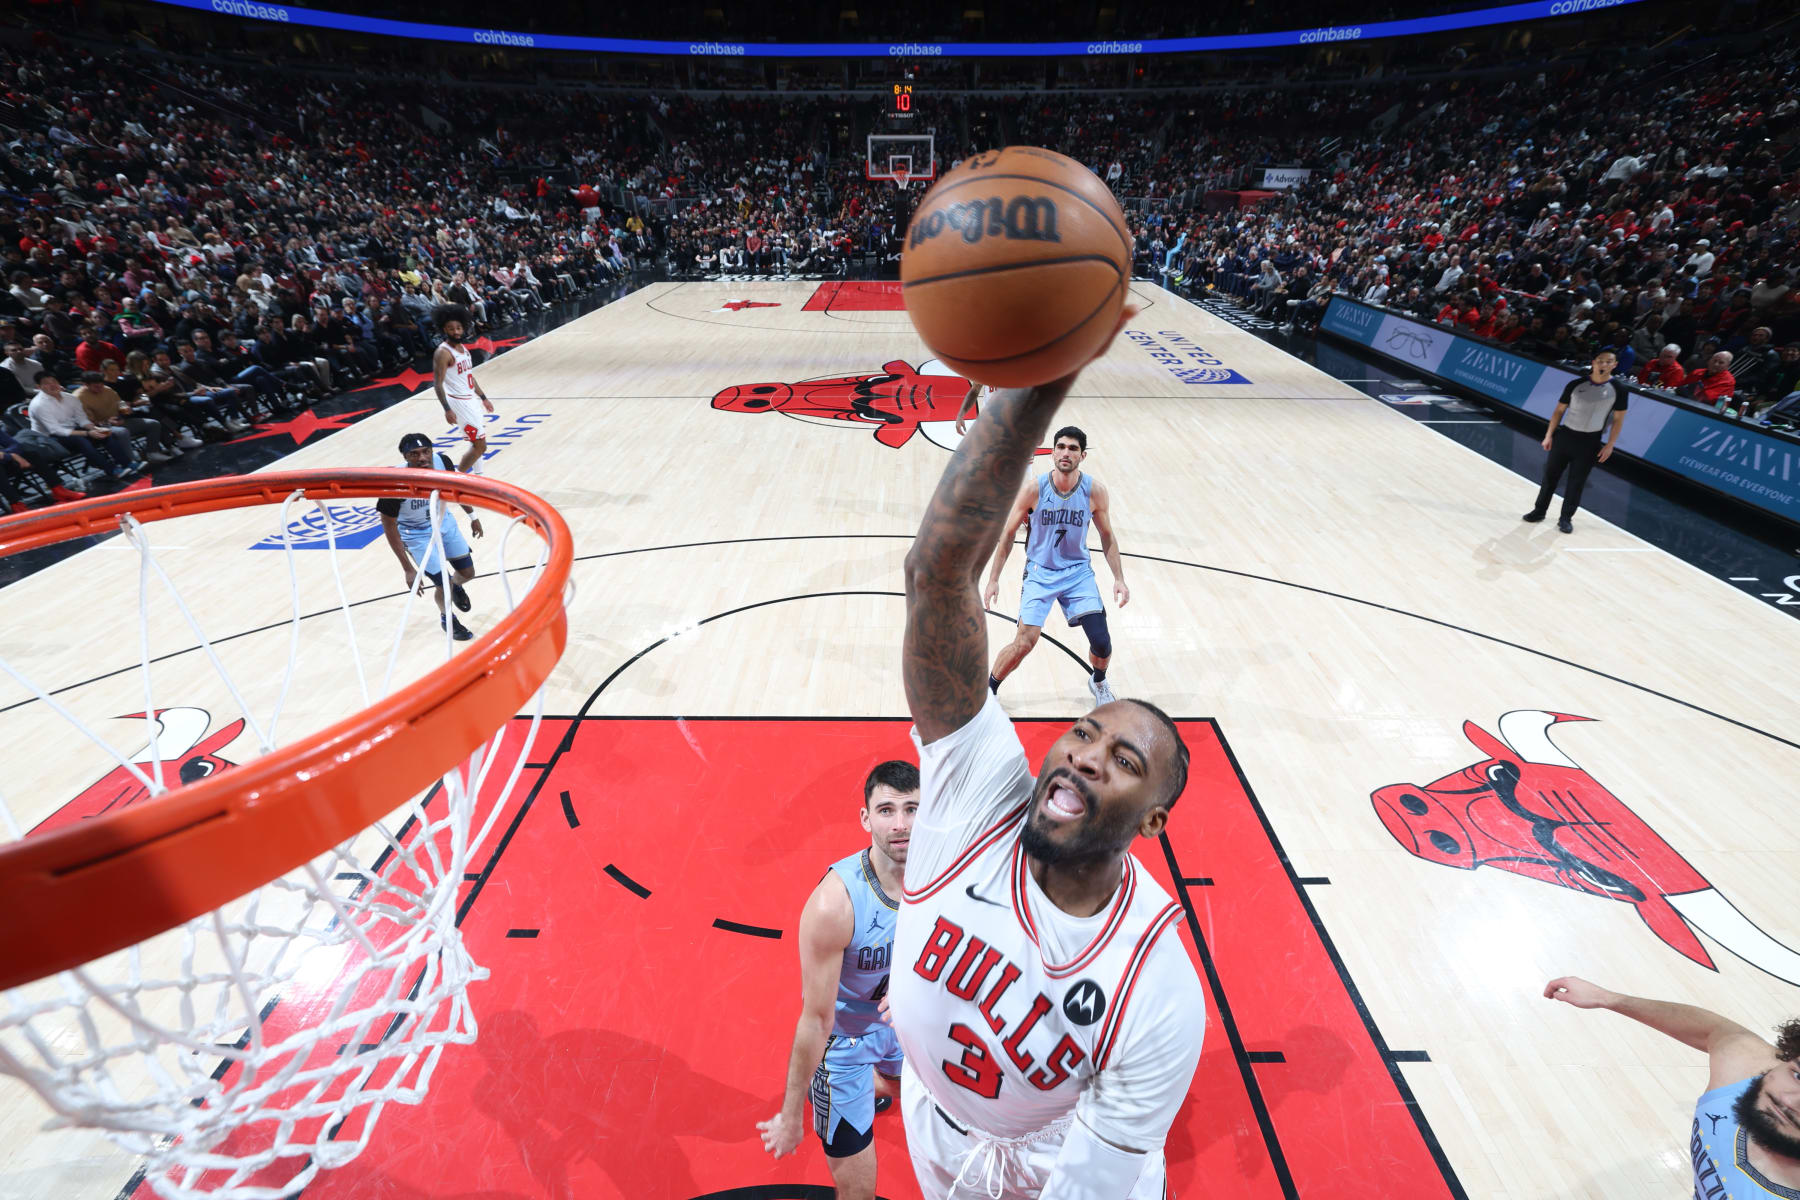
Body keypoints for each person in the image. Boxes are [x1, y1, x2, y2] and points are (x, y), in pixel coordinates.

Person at [891, 306, 1205, 1199]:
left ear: (1152, 823)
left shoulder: (1155, 985)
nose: (1087, 756)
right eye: (1084, 732)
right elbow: (936, 575)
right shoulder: (980, 793)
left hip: (1047, 1166)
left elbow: (1095, 1184)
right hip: (932, 1123)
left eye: (1125, 762)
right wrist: (1042, 372)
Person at [758, 761, 919, 1199]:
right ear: (866, 819)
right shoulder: (835, 905)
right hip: (846, 1042)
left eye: (911, 809)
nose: (900, 824)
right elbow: (815, 1019)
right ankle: (830, 1088)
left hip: (906, 1022)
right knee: (859, 1192)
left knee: (929, 1094)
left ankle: (873, 1084)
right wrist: (790, 1115)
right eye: (886, 810)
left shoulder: (945, 876)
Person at [1544, 976, 1800, 1194]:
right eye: (1797, 1075)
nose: (1789, 1100)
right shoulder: (1744, 1068)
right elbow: (1714, 1030)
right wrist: (1607, 998)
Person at [981, 426, 1129, 706]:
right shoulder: (1033, 489)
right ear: (1052, 452)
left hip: (1077, 572)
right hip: (1040, 572)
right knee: (1024, 642)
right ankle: (988, 691)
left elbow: (1107, 536)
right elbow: (1008, 535)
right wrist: (993, 579)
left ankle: (1098, 681)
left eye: (1073, 448)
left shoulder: (1095, 491)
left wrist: (1119, 578)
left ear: (1082, 456)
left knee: (1101, 642)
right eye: (1060, 447)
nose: (1065, 453)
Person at [377, 432, 483, 642]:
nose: (422, 457)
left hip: (443, 521)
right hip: (415, 534)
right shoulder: (394, 483)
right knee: (443, 583)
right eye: (414, 454)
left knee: (468, 573)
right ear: (405, 457)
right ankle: (447, 618)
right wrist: (408, 568)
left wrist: (473, 516)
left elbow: (456, 490)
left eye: (426, 451)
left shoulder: (443, 462)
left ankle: (455, 586)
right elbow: (389, 527)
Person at [1523, 350, 1629, 534]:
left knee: (1576, 482)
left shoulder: (1619, 389)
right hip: (1565, 436)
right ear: (1594, 362)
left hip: (1589, 442)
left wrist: (1610, 444)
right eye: (1600, 361)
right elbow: (1559, 411)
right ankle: (1539, 511)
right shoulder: (1576, 384)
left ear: (1615, 365)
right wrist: (1549, 435)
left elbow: (1619, 420)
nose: (1603, 364)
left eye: (1608, 361)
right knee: (1550, 477)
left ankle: (1565, 519)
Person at [27, 370, 138, 478]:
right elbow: (55, 430)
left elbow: (82, 420)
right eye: (46, 383)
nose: (52, 385)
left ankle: (127, 463)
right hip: (49, 438)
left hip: (72, 429)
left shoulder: (70, 398)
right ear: (39, 387)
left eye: (54, 381)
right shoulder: (38, 405)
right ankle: (112, 470)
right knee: (80, 440)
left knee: (104, 434)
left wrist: (94, 429)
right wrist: (88, 433)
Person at [432, 305, 494, 474]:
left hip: (471, 400)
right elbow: (437, 384)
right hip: (459, 403)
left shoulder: (463, 348)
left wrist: (483, 398)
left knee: (477, 443)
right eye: (451, 328)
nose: (456, 331)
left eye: (458, 328)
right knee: (480, 445)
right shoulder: (443, 352)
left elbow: (469, 376)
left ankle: (479, 477)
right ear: (444, 329)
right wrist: (447, 409)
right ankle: (458, 478)